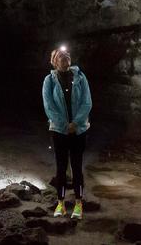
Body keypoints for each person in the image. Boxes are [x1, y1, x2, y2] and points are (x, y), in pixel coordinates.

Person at [42, 46, 92, 219]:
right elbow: (49, 106)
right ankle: (61, 203)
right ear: (54, 61)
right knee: (61, 168)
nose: (64, 57)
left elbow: (87, 102)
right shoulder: (49, 80)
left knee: (77, 167)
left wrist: (75, 123)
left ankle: (78, 204)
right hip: (59, 131)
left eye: (66, 54)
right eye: (60, 55)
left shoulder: (80, 77)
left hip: (79, 130)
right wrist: (65, 125)